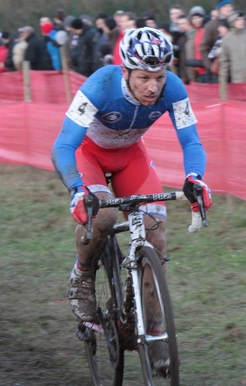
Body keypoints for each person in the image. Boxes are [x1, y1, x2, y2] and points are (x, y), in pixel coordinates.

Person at [51, 27, 212, 335]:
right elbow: (63, 146)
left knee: (155, 231)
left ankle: (151, 325)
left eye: (159, 77)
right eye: (143, 77)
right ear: (125, 71)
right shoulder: (100, 84)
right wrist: (76, 189)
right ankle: (82, 277)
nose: (153, 87)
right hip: (90, 155)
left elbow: (191, 142)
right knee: (105, 216)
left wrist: (195, 178)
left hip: (130, 157)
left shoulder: (174, 88)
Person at [219, 11, 246, 98]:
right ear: (232, 22)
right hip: (235, 82)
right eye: (237, 19)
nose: (241, 21)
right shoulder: (227, 39)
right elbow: (224, 63)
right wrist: (223, 91)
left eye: (242, 19)